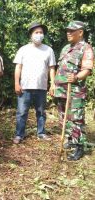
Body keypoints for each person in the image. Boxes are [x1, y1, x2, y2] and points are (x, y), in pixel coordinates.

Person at [54, 21, 94, 161]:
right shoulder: (65, 48)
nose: (68, 33)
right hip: (61, 90)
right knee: (64, 117)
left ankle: (79, 147)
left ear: (80, 32)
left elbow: (87, 70)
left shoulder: (86, 48)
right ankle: (71, 139)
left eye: (72, 30)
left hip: (75, 91)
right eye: (67, 30)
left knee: (76, 119)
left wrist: (76, 77)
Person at [13, 22, 56, 144]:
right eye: (36, 32)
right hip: (25, 86)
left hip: (41, 87)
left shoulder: (48, 50)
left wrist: (52, 84)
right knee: (21, 112)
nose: (39, 35)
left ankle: (41, 133)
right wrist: (16, 83)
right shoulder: (23, 49)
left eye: (41, 32)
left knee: (41, 112)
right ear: (31, 35)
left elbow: (51, 68)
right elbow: (18, 67)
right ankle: (19, 134)